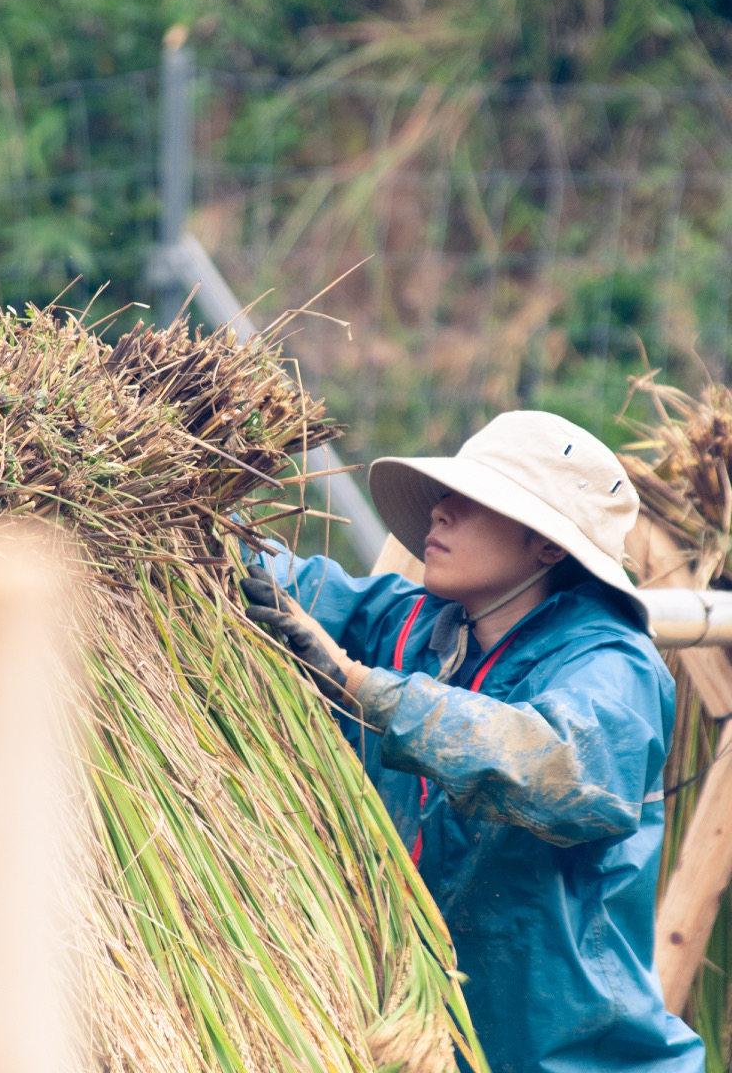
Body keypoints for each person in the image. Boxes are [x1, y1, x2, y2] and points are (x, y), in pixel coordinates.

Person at [241, 410, 705, 1073]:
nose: (440, 513)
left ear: (547, 546)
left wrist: (362, 689)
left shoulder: (610, 666)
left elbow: (553, 765)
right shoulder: (409, 629)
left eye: (474, 500)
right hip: (428, 1046)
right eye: (443, 495)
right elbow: (280, 579)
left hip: (572, 1062)